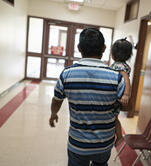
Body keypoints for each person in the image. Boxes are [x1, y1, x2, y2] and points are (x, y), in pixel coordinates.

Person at [49, 28, 125, 166]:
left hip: (78, 143)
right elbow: (125, 105)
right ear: (104, 48)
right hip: (104, 143)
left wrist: (53, 114)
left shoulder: (67, 74)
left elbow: (57, 99)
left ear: (79, 48)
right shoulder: (116, 77)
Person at [110, 38, 133, 147]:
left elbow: (126, 80)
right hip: (116, 96)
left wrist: (126, 94)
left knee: (114, 118)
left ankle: (119, 137)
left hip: (117, 97)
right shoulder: (122, 65)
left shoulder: (119, 66)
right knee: (114, 118)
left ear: (113, 53)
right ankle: (118, 137)